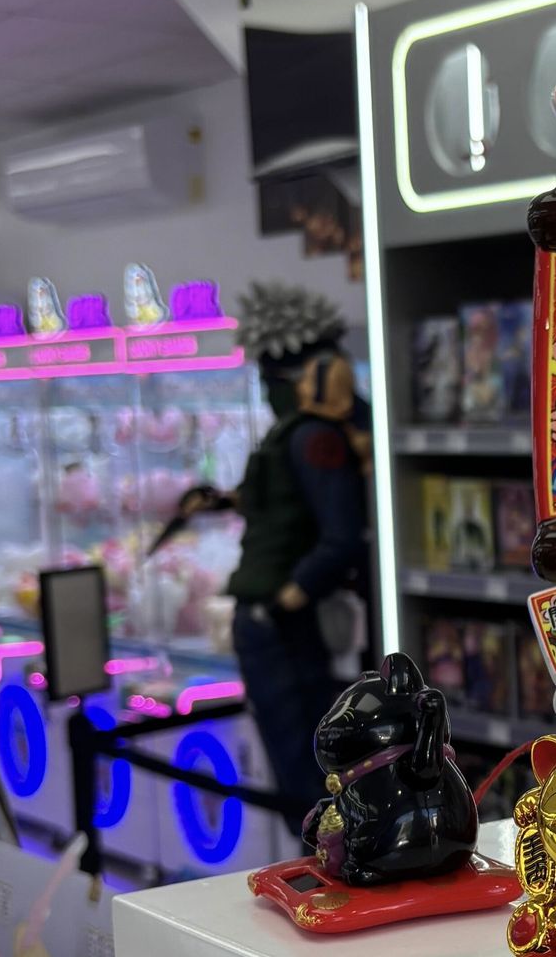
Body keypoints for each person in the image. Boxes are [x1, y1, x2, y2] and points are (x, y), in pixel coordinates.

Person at [181, 281, 372, 832]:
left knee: (306, 767)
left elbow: (341, 535)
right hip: (272, 617)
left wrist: (291, 595)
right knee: (298, 761)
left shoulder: (314, 438)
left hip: (281, 621)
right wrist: (222, 500)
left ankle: (325, 865)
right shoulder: (297, 436)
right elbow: (287, 507)